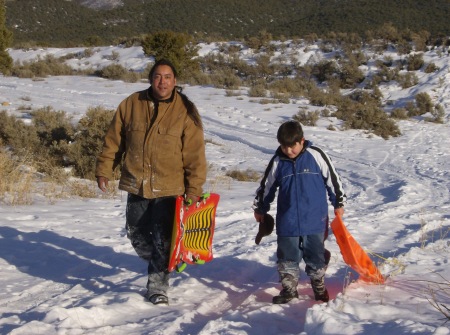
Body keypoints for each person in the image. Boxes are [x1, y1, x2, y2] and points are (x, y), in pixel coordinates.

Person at [95, 59, 207, 305]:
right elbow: (113, 141)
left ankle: (157, 286)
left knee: (162, 239)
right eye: (158, 76)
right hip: (137, 183)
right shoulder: (131, 104)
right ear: (150, 79)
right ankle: (166, 260)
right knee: (137, 236)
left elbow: (195, 155)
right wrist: (104, 168)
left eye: (168, 77)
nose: (163, 81)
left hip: (171, 188)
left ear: (175, 81)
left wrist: (194, 189)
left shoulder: (185, 111)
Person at [253, 120, 346, 304]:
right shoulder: (278, 161)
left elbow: (333, 180)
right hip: (287, 221)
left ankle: (319, 286)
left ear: (302, 140)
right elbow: (266, 186)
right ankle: (289, 290)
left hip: (314, 219)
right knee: (287, 256)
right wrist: (261, 208)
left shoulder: (316, 155)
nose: (288, 150)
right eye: (284, 146)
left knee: (315, 255)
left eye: (292, 146)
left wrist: (338, 202)